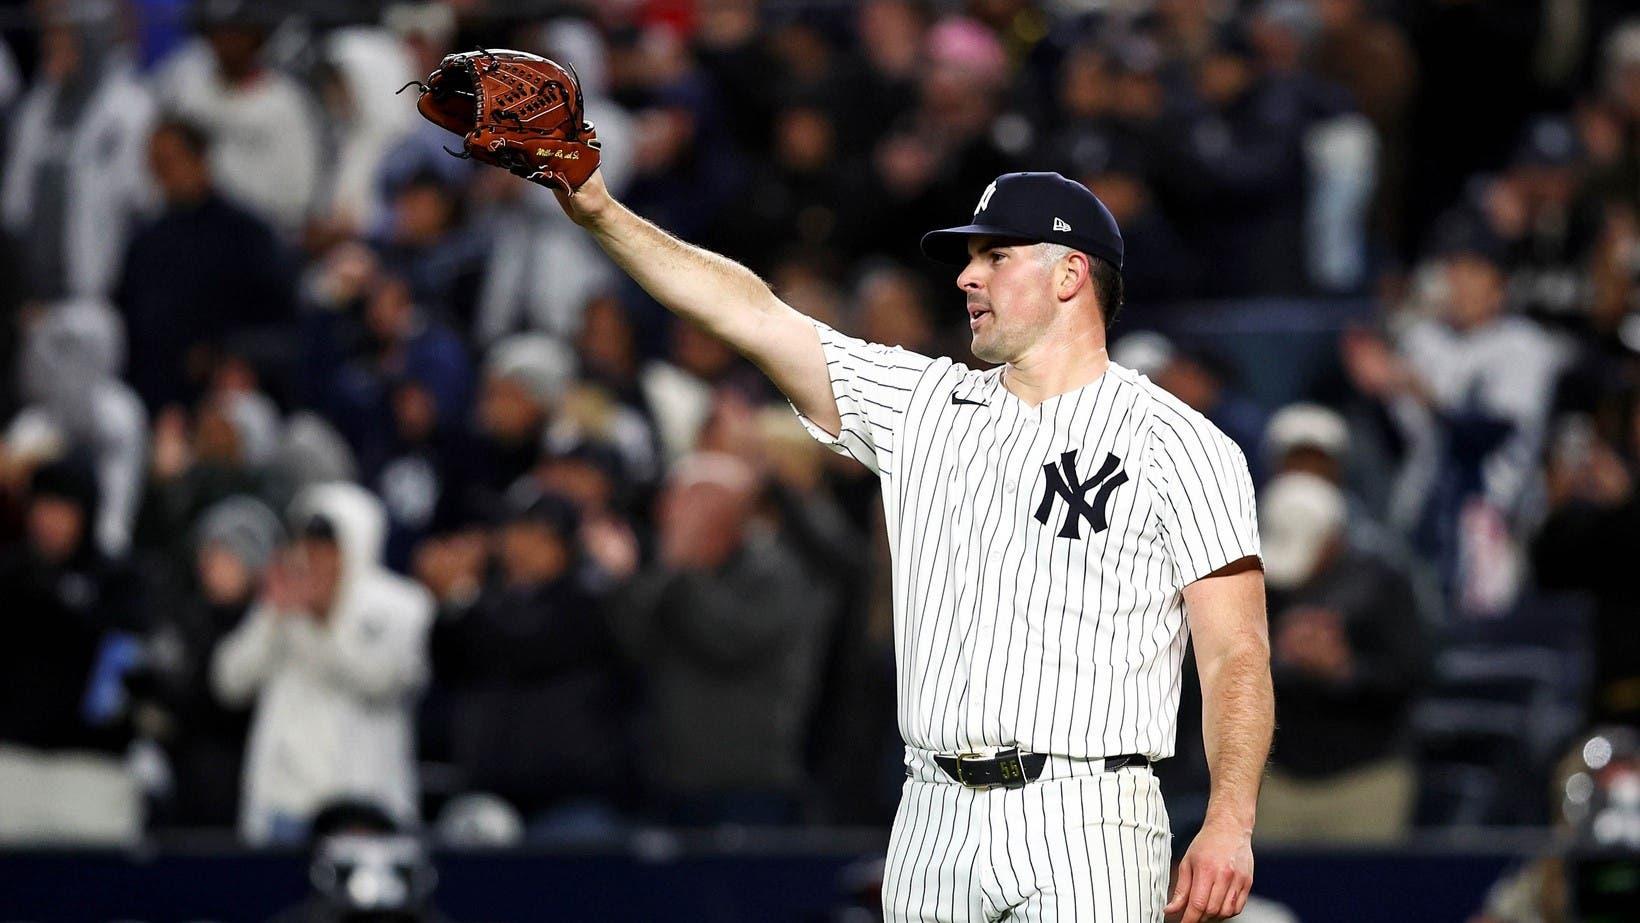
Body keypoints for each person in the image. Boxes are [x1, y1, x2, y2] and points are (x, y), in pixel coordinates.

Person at [544, 114, 1269, 917]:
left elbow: (1236, 651)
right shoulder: (922, 404)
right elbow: (751, 313)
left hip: (1087, 810)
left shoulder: (1181, 443)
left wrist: (1230, 819)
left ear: (1070, 275)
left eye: (995, 255)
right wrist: (602, 210)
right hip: (930, 810)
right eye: (968, 258)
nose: (967, 276)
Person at [211, 482, 433, 844]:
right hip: (284, 803)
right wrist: (271, 618)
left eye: (329, 545)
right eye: (310, 543)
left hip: (365, 807)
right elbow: (229, 681)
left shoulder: (401, 605)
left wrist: (321, 623)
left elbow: (382, 680)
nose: (318, 556)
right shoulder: (284, 603)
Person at [1255, 472, 1428, 844]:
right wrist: (1272, 661)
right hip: (1277, 779)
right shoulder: (1256, 586)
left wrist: (1343, 671)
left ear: (1333, 539)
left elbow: (1415, 677)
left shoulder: (1383, 586)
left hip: (1365, 779)